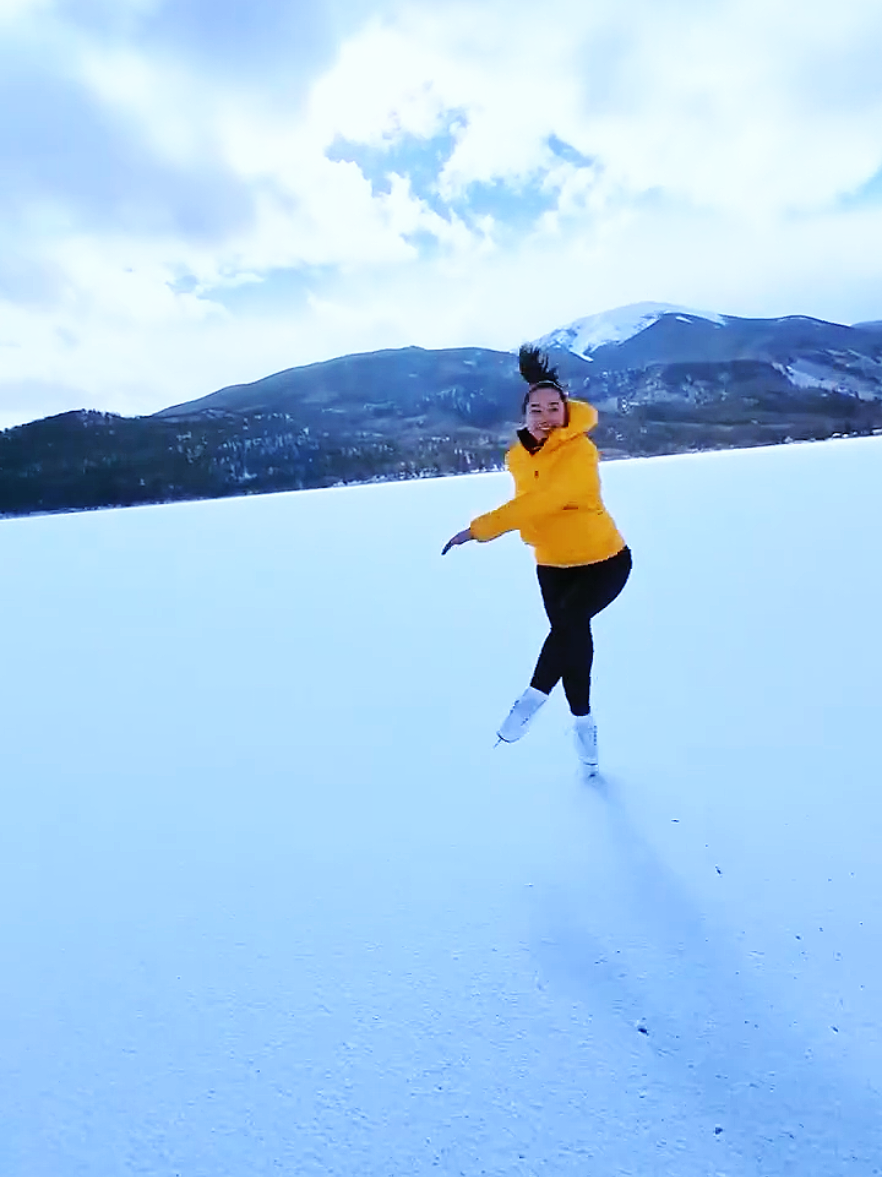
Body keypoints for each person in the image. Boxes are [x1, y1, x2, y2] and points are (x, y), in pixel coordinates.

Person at [442, 345, 631, 774]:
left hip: (605, 561)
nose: (545, 416)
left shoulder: (579, 451)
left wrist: (480, 529)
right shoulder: (518, 457)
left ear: (567, 412)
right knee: (571, 636)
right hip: (551, 565)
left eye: (553, 408)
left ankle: (534, 695)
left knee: (567, 628)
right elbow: (529, 502)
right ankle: (584, 725)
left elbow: (545, 501)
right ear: (524, 414)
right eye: (536, 409)